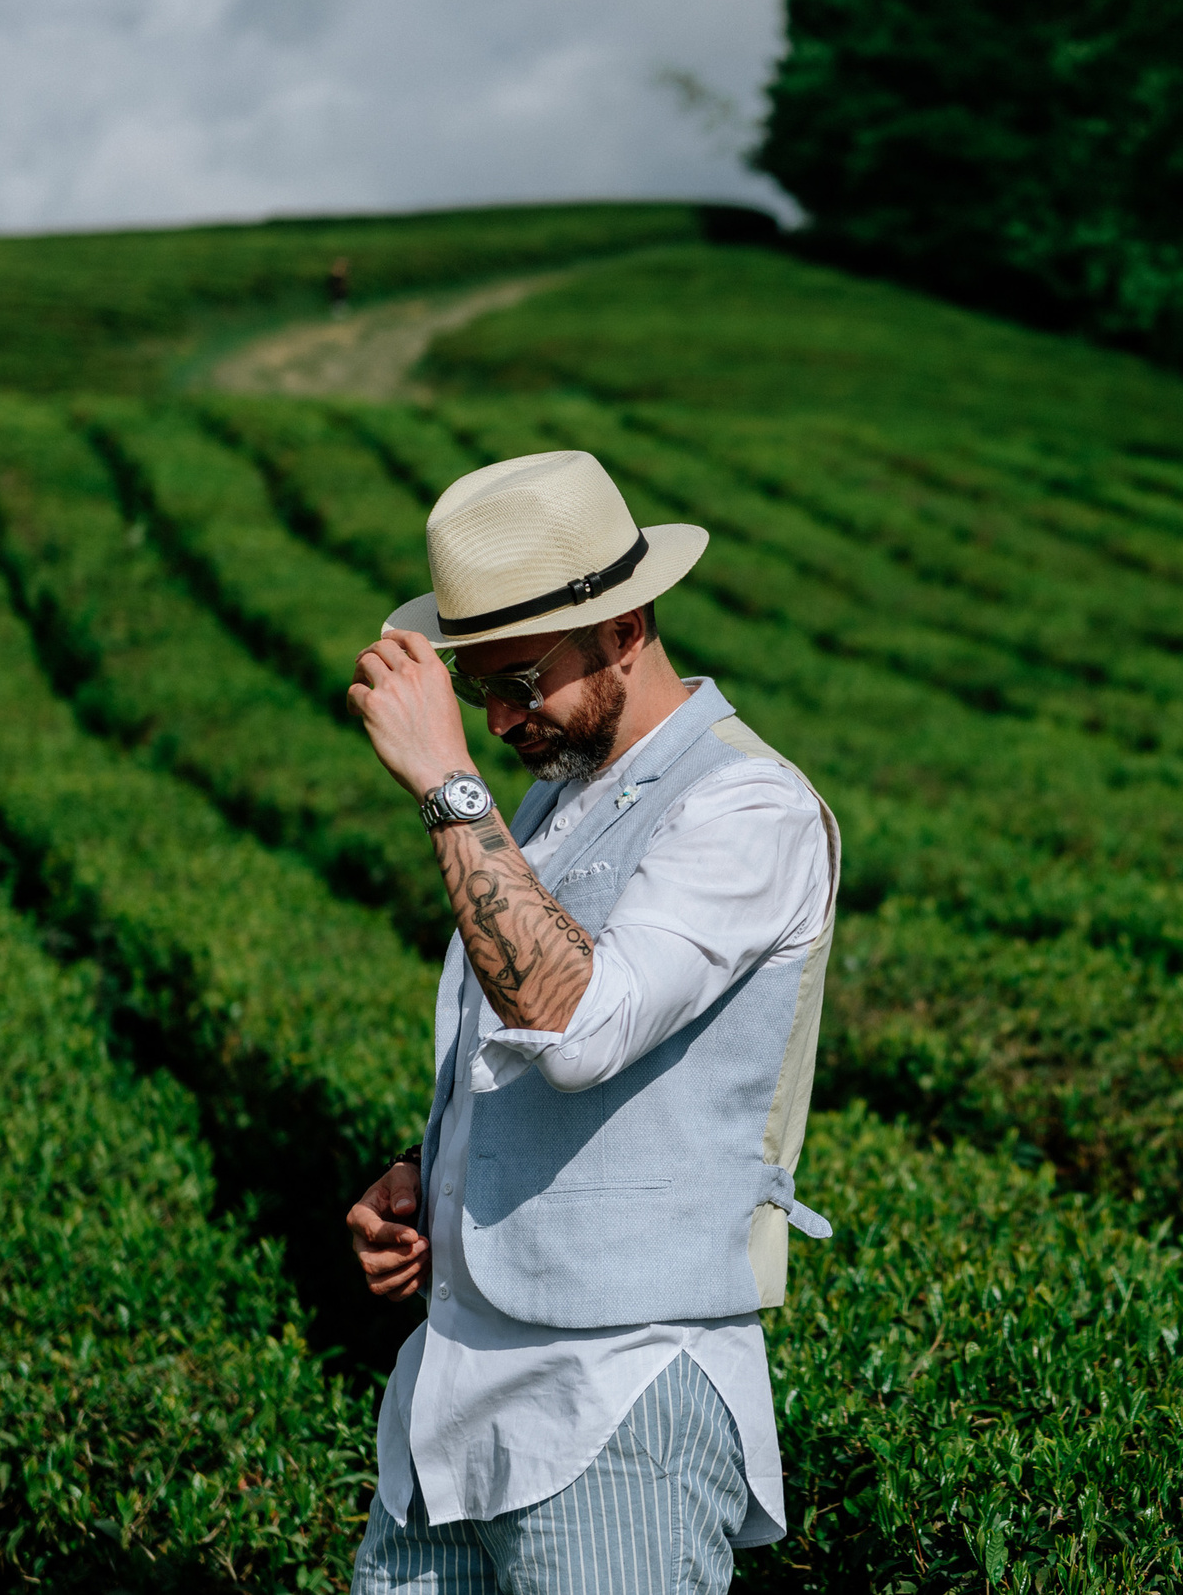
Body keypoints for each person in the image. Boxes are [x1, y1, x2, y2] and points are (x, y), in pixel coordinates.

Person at [341, 448, 838, 1594]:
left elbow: (578, 1026)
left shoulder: (746, 805)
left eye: (523, 679)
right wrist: (428, 1172)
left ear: (627, 625)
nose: (504, 715)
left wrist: (444, 782)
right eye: (479, 690)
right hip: (450, 1412)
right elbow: (521, 1056)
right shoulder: (553, 797)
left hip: (615, 1414)